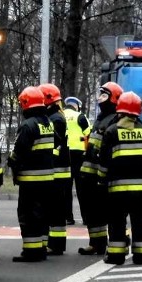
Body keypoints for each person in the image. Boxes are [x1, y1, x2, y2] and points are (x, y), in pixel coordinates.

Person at [98, 91, 142, 265]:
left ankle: (116, 256)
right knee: (140, 222)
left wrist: (101, 180)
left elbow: (104, 162)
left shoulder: (112, 132)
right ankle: (141, 255)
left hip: (118, 190)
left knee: (117, 222)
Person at [7, 86, 54, 262]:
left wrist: (11, 161)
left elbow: (18, 152)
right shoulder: (47, 123)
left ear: (26, 104)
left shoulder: (28, 125)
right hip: (47, 179)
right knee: (41, 215)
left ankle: (31, 252)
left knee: (28, 215)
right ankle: (41, 248)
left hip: (30, 180)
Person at [78, 81, 123, 255]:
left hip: (103, 173)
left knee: (108, 211)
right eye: (100, 95)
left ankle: (113, 242)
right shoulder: (100, 118)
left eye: (104, 95)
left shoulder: (114, 119)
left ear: (114, 99)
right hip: (90, 172)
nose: (100, 99)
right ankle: (96, 243)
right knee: (92, 210)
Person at [39, 83, 70, 255]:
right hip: (58, 170)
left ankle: (57, 245)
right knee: (54, 209)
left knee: (56, 210)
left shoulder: (55, 119)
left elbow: (52, 144)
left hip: (57, 171)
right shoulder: (55, 116)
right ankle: (53, 243)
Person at [63, 96, 91, 224]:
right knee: (82, 189)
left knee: (66, 189)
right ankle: (86, 218)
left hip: (64, 155)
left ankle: (68, 217)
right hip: (79, 155)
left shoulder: (60, 116)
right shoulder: (80, 116)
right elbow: (89, 134)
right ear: (77, 106)